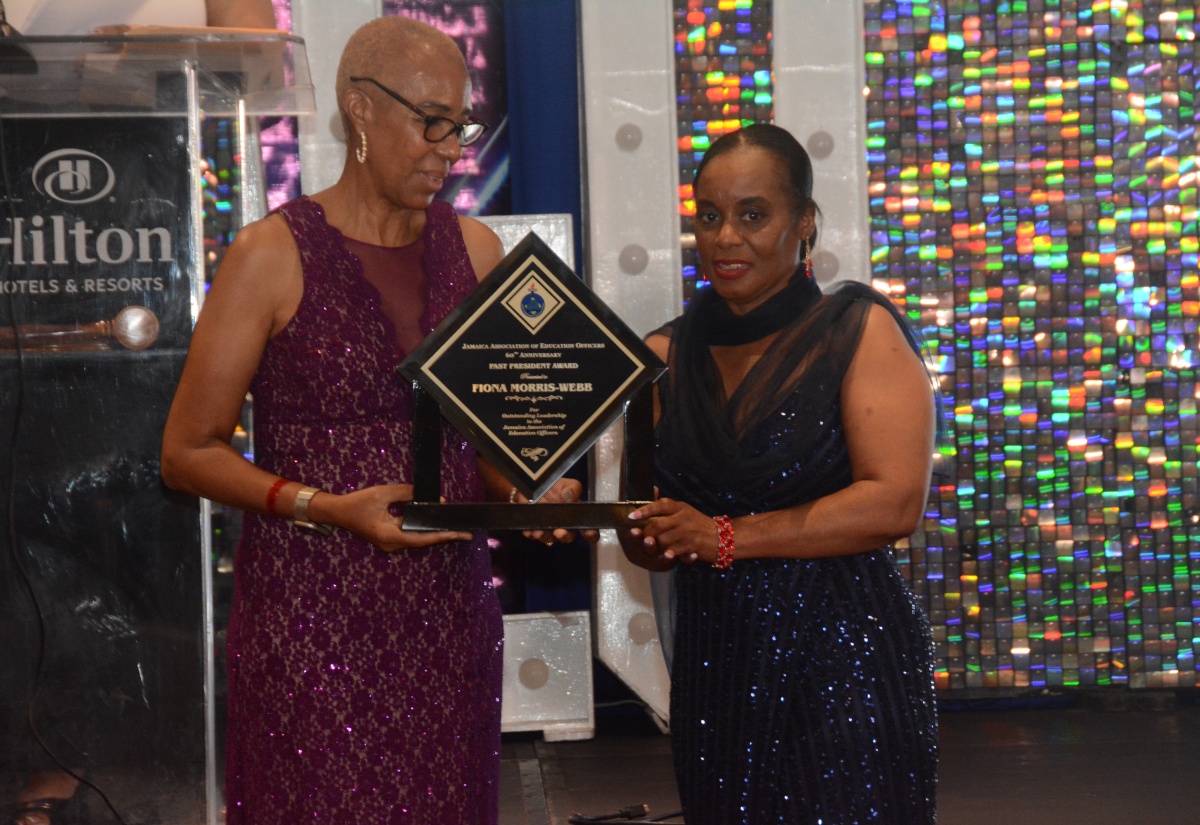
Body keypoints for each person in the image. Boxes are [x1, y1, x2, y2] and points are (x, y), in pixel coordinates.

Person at [159, 16, 577, 825]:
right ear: (359, 108)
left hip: (448, 619)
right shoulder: (270, 254)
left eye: (460, 125)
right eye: (431, 121)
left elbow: (485, 440)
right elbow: (187, 452)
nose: (449, 147)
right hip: (310, 622)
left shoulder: (479, 252)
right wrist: (325, 506)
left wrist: (526, 492)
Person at [622, 123, 939, 823]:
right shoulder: (659, 357)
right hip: (716, 672)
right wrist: (577, 509)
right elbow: (648, 540)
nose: (726, 236)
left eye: (753, 214)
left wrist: (726, 536)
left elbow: (894, 503)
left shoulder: (857, 329)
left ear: (805, 223)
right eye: (709, 216)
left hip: (844, 660)